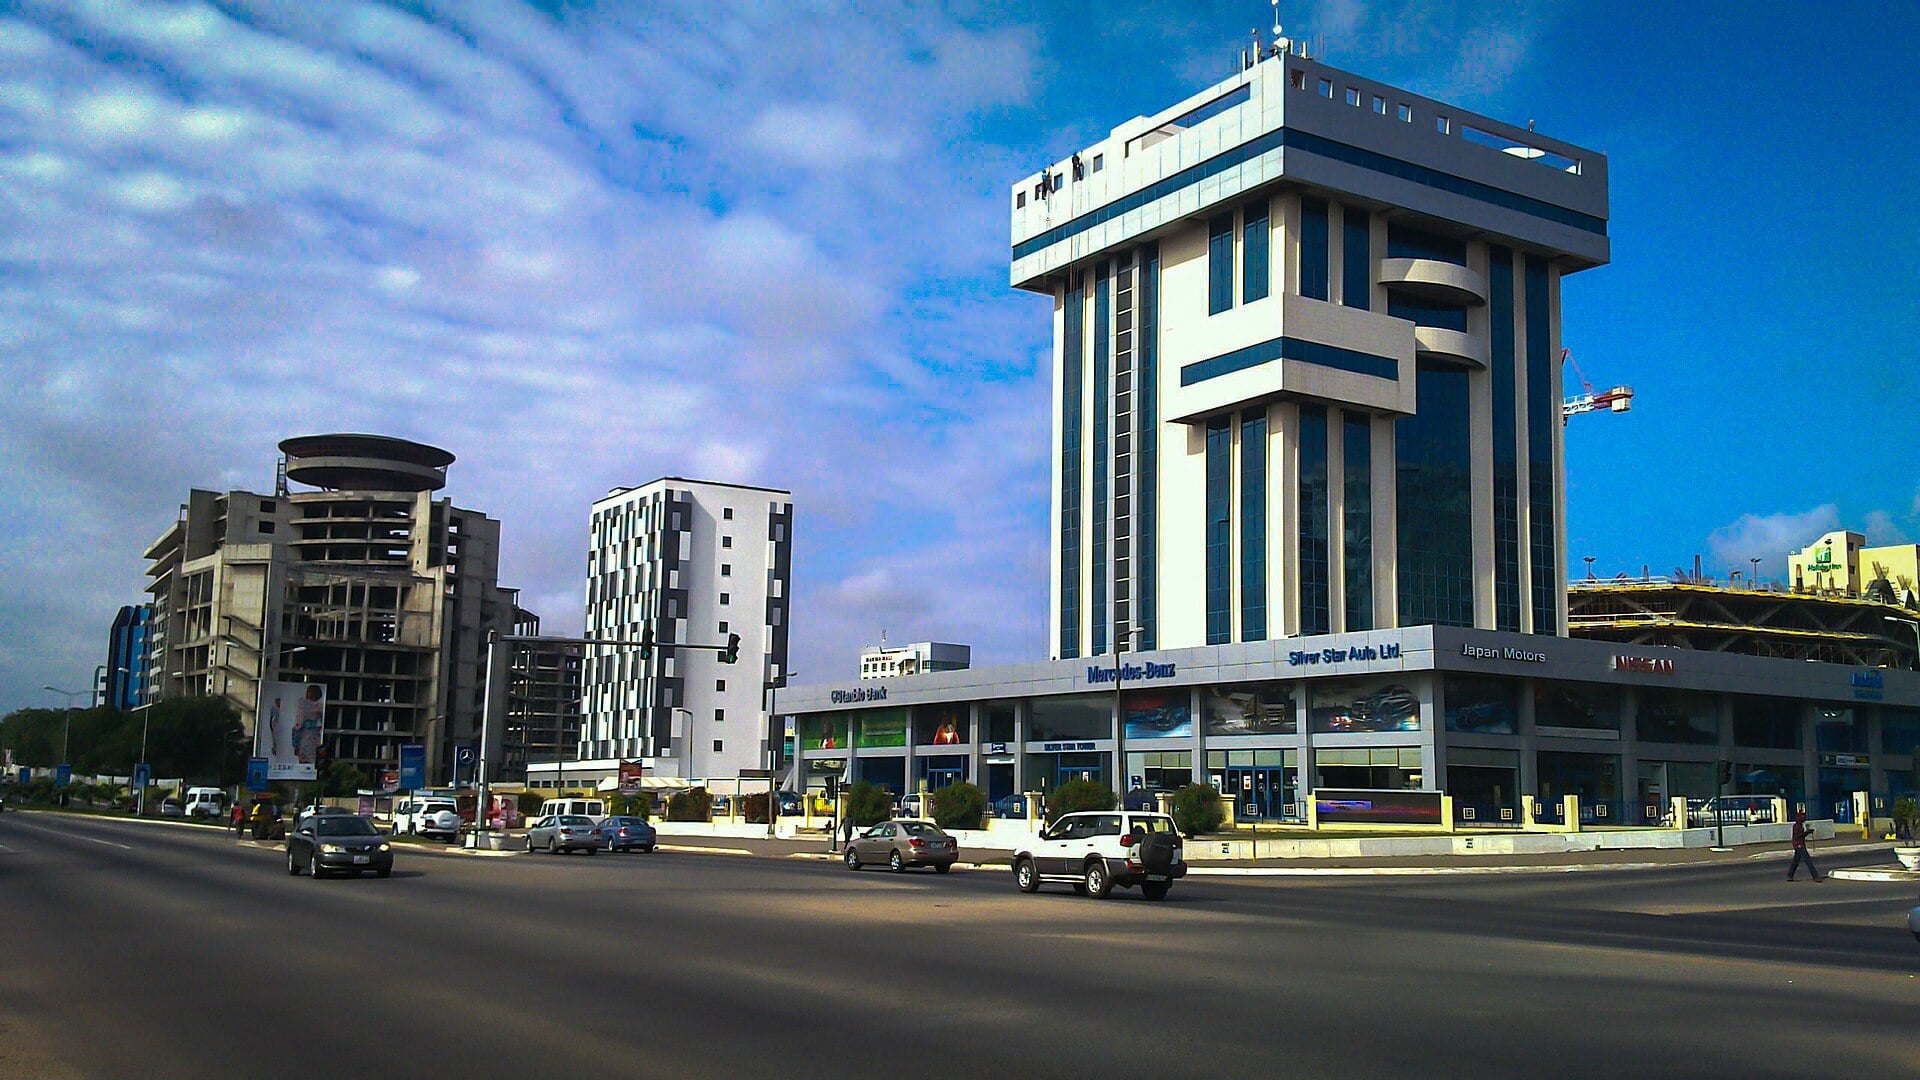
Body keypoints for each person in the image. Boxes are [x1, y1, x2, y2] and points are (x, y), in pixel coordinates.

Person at [1787, 809, 1823, 882]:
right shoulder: (1796, 826)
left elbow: (1800, 836)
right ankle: (1815, 876)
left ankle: (1790, 875)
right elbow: (1797, 836)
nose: (1804, 818)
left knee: (1796, 861)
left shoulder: (1800, 825)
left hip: (1799, 844)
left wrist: (1807, 833)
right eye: (1803, 817)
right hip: (1799, 845)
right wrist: (1806, 833)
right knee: (1808, 861)